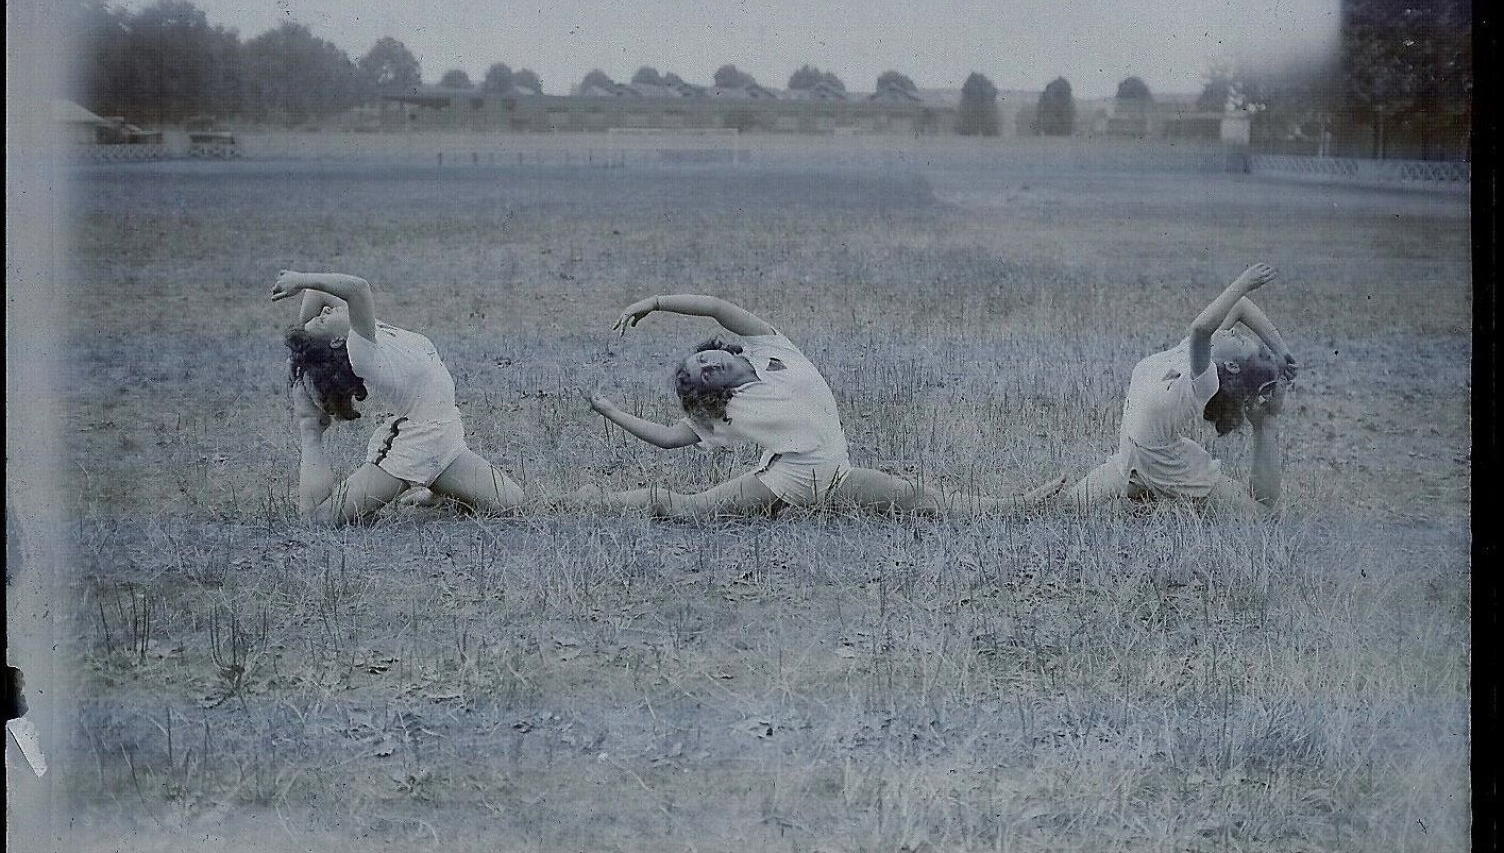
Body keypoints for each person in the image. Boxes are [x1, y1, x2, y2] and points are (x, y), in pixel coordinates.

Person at [579, 293, 1064, 518]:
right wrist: (608, 410)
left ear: (719, 349)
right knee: (680, 509)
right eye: (699, 377)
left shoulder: (770, 348)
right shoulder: (729, 411)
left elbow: (714, 306)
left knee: (920, 497)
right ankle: (584, 502)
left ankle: (1014, 505)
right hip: (786, 482)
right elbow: (668, 439)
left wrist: (657, 302)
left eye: (703, 359)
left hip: (836, 476)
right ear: (708, 392)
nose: (704, 367)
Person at [272, 269, 523, 524]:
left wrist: (300, 345)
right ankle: (310, 431)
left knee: (511, 502)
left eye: (323, 315)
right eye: (323, 321)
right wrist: (301, 280)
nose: (326, 311)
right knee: (319, 518)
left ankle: (436, 487)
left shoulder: (369, 328)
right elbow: (357, 288)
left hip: (445, 437)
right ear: (338, 342)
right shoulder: (360, 349)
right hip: (413, 446)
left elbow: (318, 293)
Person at [1066, 263, 1297, 515]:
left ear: (1230, 365)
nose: (1234, 333)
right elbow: (1240, 307)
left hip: (1175, 469)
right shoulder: (1186, 350)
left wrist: (1243, 282)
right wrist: (1282, 351)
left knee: (1262, 514)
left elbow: (1201, 328)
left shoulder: (1205, 379)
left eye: (1239, 340)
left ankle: (1266, 425)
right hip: (1129, 462)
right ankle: (1147, 494)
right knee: (1069, 507)